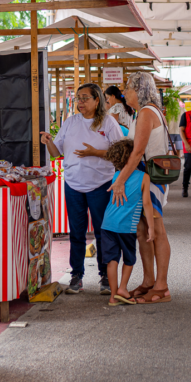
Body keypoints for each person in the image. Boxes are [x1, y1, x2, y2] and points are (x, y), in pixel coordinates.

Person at [40, 83, 124, 296]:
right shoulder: (70, 123)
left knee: (102, 231)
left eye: (85, 98)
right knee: (76, 232)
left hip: (101, 185)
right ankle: (77, 275)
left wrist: (95, 152)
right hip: (73, 186)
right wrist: (48, 141)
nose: (80, 102)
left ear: (97, 100)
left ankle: (105, 275)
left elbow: (120, 154)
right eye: (78, 98)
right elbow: (55, 153)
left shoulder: (108, 123)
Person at [111, 72, 172, 304]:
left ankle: (162, 286)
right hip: (148, 177)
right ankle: (149, 281)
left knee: (156, 229)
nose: (124, 92)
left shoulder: (146, 113)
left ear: (139, 90)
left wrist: (120, 180)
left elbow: (138, 153)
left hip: (152, 177)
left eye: (128, 88)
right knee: (144, 230)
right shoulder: (144, 112)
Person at [102, 139, 150, 307]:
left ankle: (113, 296)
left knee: (112, 260)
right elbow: (147, 205)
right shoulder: (144, 177)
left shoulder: (116, 176)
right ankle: (123, 288)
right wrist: (151, 227)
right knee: (129, 258)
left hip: (107, 224)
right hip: (127, 227)